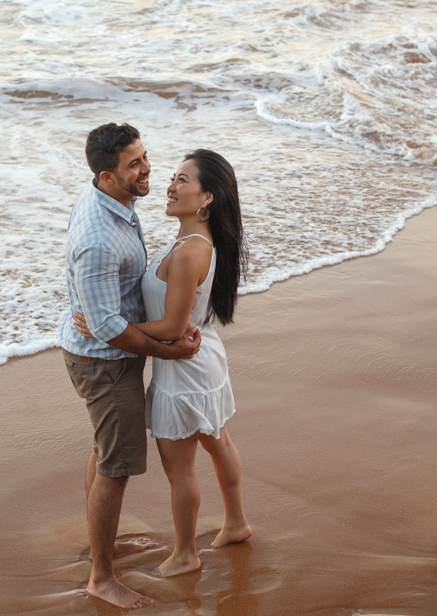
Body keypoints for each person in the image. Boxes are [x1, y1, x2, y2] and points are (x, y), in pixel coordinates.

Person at [77, 149, 252, 578]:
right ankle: (236, 523)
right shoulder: (193, 242)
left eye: (183, 180)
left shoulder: (191, 249)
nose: (170, 186)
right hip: (202, 356)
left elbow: (174, 326)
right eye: (172, 177)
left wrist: (107, 326)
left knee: (181, 468)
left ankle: (187, 553)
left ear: (208, 197)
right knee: (218, 441)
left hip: (185, 366)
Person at [61, 123, 202, 610]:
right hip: (107, 361)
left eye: (145, 157)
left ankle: (105, 547)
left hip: (106, 350)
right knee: (115, 467)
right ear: (106, 175)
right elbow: (104, 326)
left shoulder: (111, 199)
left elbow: (99, 312)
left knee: (104, 453)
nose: (148, 170)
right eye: (135, 165)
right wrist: (164, 350)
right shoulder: (100, 238)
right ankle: (101, 576)